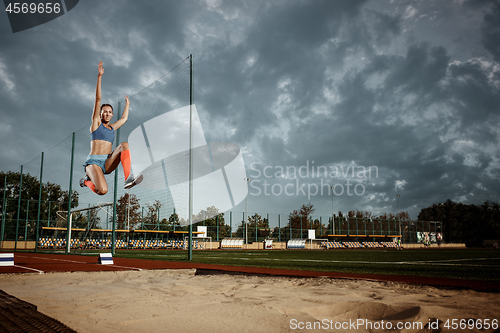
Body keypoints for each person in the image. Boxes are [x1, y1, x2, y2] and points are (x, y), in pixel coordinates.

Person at [80, 61, 142, 195]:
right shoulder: (96, 124)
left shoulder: (112, 128)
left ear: (112, 114)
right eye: (104, 111)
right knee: (102, 191)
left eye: (109, 112)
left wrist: (128, 104)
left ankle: (128, 179)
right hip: (94, 163)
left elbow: (124, 119)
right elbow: (98, 99)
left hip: (107, 162)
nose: (107, 113)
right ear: (100, 114)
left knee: (124, 144)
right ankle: (86, 181)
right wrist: (99, 76)